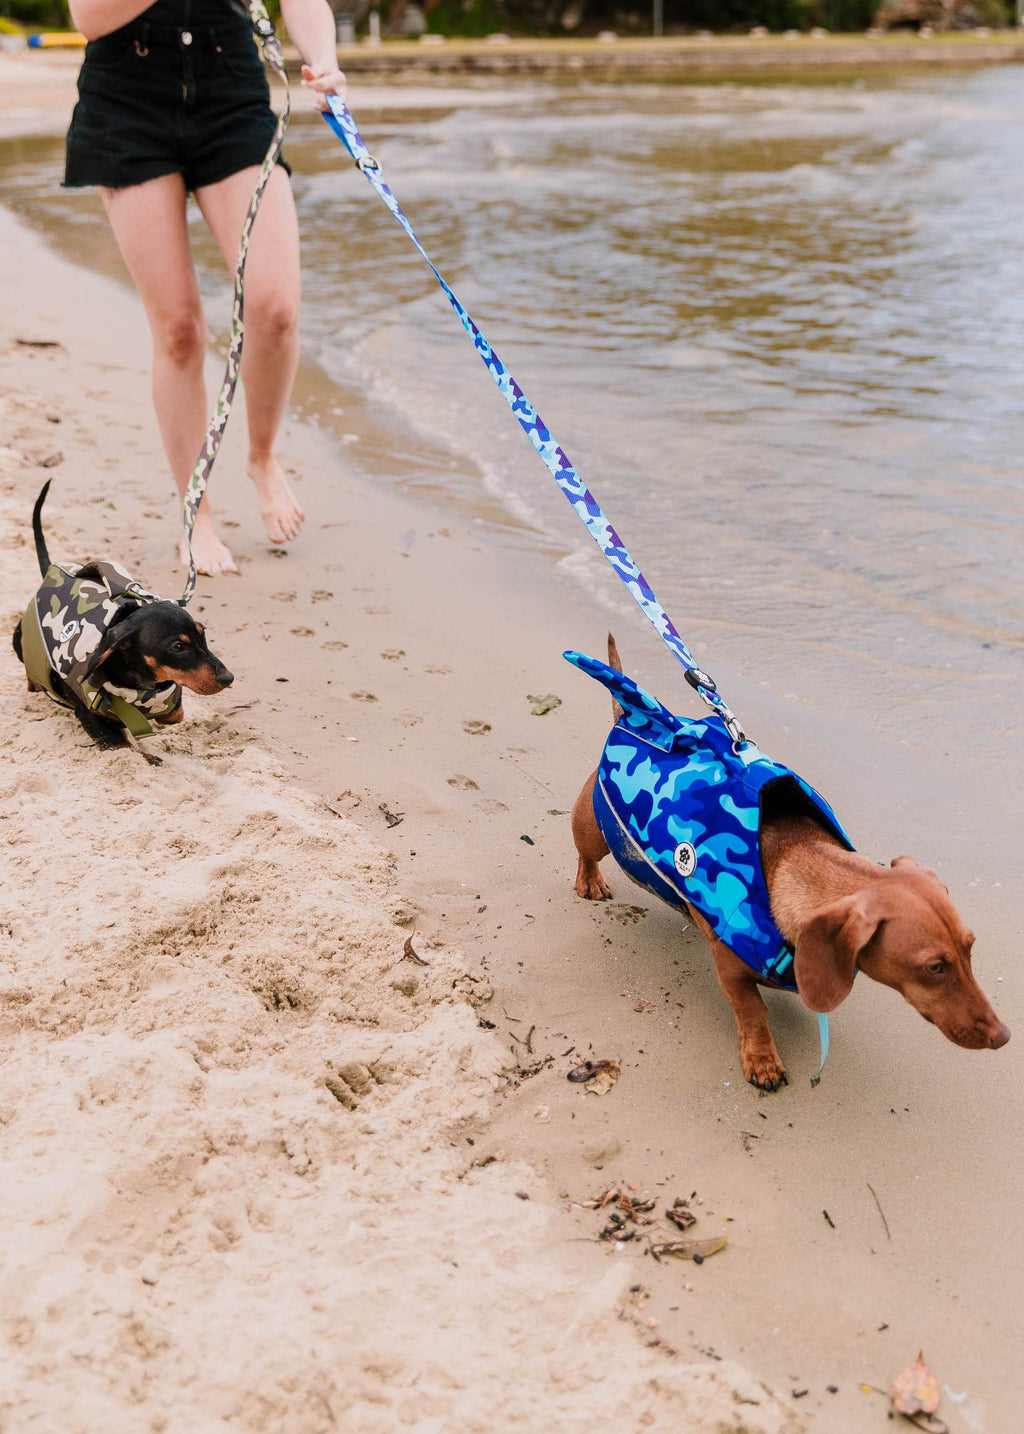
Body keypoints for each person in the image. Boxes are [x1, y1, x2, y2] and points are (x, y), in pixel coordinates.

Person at [65, 0, 346, 575]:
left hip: (230, 89)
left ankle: (262, 458)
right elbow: (88, 17)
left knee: (275, 307)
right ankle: (196, 515)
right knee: (180, 332)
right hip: (127, 100)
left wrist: (324, 59)